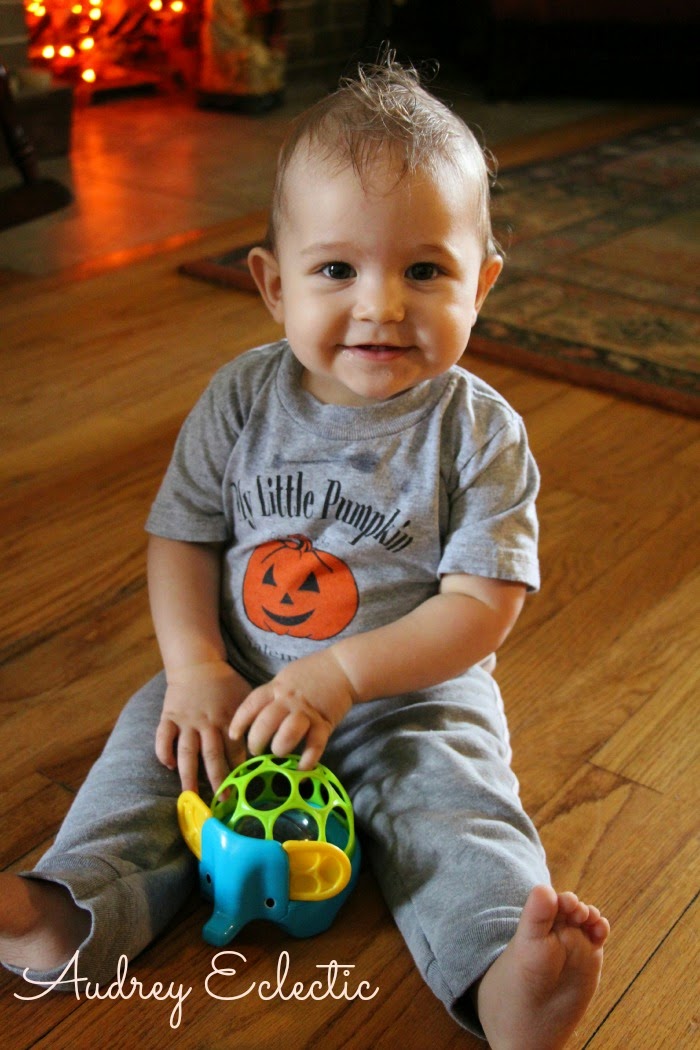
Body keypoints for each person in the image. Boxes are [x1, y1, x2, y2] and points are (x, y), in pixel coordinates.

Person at [0, 59, 609, 1048]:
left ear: (482, 284)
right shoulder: (240, 400)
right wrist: (195, 667)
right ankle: (64, 910)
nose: (381, 304)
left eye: (424, 271)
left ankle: (507, 969)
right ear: (273, 285)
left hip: (409, 698)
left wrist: (344, 676)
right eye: (337, 271)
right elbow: (182, 537)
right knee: (149, 762)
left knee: (455, 808)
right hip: (240, 676)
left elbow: (481, 604)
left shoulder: (478, 432)